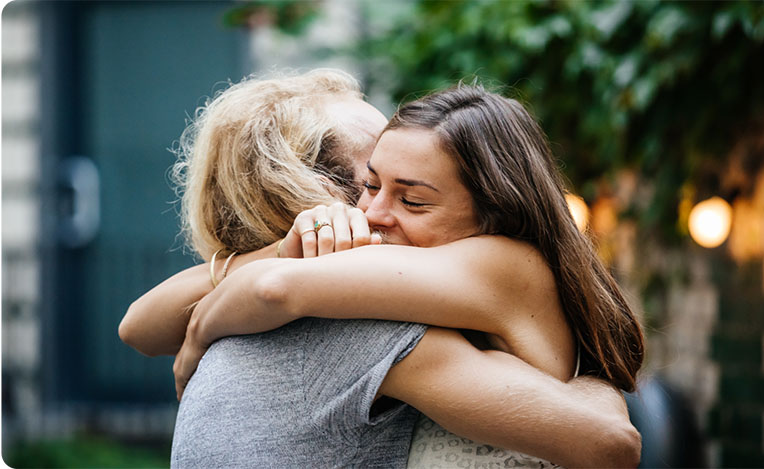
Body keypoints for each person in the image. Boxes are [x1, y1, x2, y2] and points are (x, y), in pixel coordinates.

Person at [120, 70, 642, 468]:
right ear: (315, 192)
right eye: (369, 182)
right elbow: (142, 323)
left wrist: (200, 331)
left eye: (411, 196)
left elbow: (270, 288)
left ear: (493, 208)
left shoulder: (479, 270)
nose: (373, 213)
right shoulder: (360, 316)